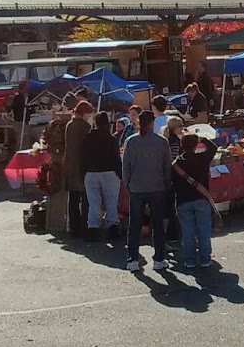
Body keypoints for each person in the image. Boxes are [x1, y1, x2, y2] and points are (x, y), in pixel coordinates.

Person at [121, 111, 173, 272]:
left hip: (137, 187)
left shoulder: (131, 141)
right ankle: (159, 258)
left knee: (135, 224)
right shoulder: (162, 142)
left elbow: (126, 166)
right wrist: (167, 184)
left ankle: (132, 259)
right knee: (157, 224)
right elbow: (167, 166)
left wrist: (127, 183)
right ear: (152, 123)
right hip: (157, 186)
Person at [171, 132, 218, 270]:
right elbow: (213, 148)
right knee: (204, 231)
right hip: (201, 198)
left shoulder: (176, 164)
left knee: (187, 232)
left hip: (183, 200)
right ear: (196, 145)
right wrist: (203, 138)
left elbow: (172, 183)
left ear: (182, 145)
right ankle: (205, 259)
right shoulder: (203, 158)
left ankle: (189, 260)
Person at [83, 111, 123, 239]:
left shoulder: (87, 138)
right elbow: (116, 158)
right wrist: (120, 175)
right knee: (111, 202)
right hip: (109, 172)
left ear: (95, 123)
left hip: (91, 173)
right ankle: (112, 227)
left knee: (94, 202)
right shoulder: (111, 139)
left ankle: (93, 228)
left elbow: (83, 157)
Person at [62, 101, 94, 238]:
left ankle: (74, 228)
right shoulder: (85, 126)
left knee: (73, 199)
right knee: (86, 199)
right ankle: (85, 227)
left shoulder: (70, 125)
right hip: (82, 166)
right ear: (84, 113)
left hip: (70, 164)